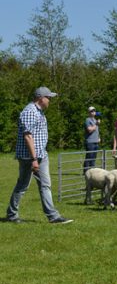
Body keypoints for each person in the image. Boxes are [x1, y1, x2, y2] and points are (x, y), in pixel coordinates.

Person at [6, 87, 73, 224]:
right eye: (48, 98)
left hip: (41, 155)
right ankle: (12, 215)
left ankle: (53, 216)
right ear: (41, 98)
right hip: (30, 157)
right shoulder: (30, 112)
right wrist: (34, 159)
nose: (50, 100)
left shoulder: (39, 112)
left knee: (45, 185)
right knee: (23, 185)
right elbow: (28, 136)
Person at [83, 106, 100, 174]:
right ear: (89, 113)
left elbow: (97, 131)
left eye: (94, 111)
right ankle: (86, 171)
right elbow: (89, 130)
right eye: (91, 111)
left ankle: (92, 171)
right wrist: (96, 124)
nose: (93, 112)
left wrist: (99, 137)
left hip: (96, 141)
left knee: (94, 157)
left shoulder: (95, 120)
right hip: (90, 142)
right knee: (89, 157)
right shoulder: (87, 120)